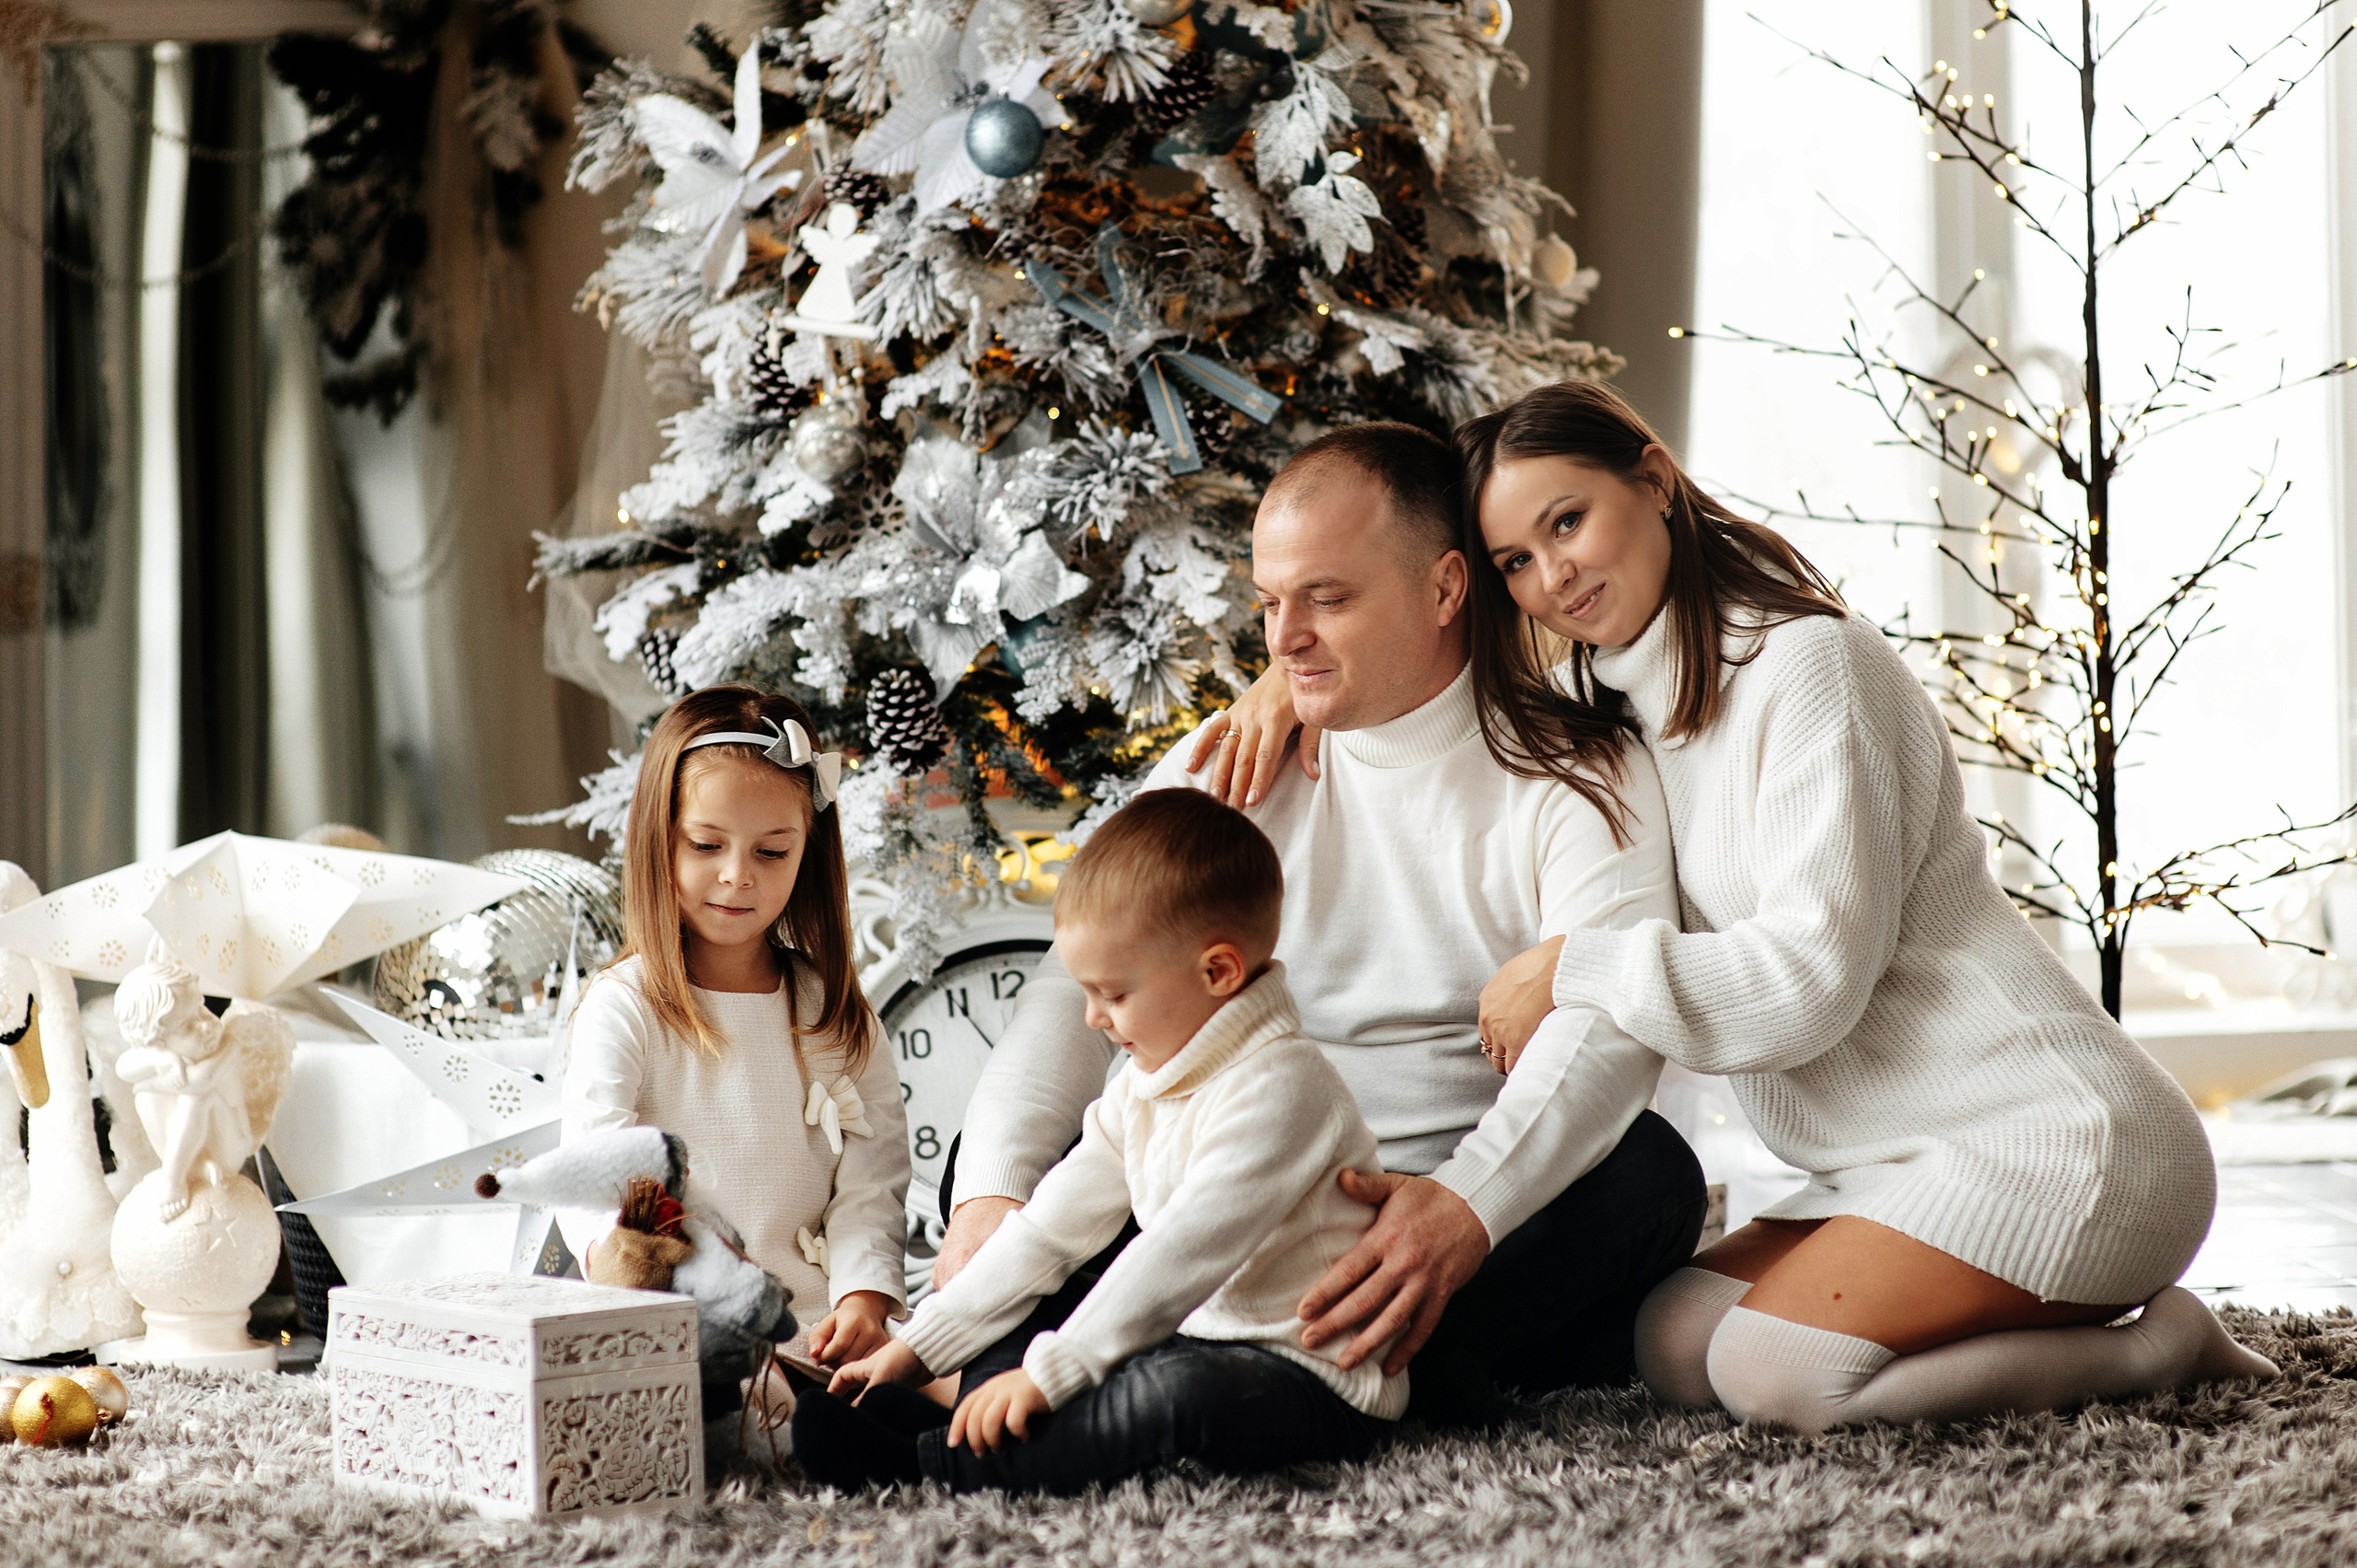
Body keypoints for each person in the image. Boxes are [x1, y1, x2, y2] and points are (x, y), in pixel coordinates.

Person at [1208, 381, 2275, 1435]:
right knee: (1673, 1337)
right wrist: (1290, 676)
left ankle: (2157, 1347)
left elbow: (1810, 984)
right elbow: (1434, 666)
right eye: (1515, 562)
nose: (1553, 574)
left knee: (1778, 1371)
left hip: (2054, 1138)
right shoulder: (1612, 696)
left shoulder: (1811, 665)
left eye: (1567, 520)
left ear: (1655, 482)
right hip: (1880, 1161)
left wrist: (1575, 963)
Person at [935, 424, 1711, 1425]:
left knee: (1650, 1179)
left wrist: (1460, 1208)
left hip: (1401, 1219)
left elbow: (1603, 1031)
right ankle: (1191, 1387)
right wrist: (991, 1203)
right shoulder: (1232, 760)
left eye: (1327, 599)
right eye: (1270, 601)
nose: (1282, 638)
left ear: (1443, 589)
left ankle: (1256, 1380)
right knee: (993, 1149)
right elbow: (1073, 978)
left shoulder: (1577, 774)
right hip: (1197, 1199)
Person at [794, 790, 1403, 1493]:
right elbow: (1048, 1230)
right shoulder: (1143, 1083)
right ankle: (940, 1417)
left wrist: (1053, 1372)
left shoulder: (1283, 1089)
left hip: (1313, 1373)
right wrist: (916, 1347)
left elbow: (1177, 1253)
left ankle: (935, 1466)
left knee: (1171, 1390)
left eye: (1112, 994)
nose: (1093, 1017)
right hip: (1197, 1327)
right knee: (1079, 1320)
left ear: (1218, 972)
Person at [559, 686, 910, 1436]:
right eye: (707, 845)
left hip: (818, 1339)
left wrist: (864, 1299)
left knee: (928, 1404)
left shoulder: (836, 1013)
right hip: (680, 1332)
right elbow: (594, 1184)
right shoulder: (625, 1008)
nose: (737, 875)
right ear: (661, 839)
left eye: (771, 851)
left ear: (808, 851)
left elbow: (871, 1186)